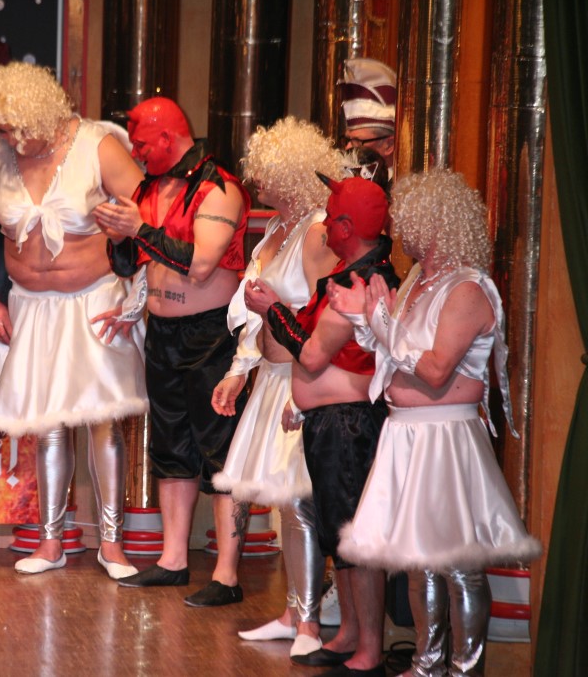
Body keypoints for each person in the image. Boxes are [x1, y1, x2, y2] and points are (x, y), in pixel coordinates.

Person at [327, 169, 541, 677]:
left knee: (458, 565)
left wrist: (379, 321)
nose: (397, 229)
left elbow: (436, 369)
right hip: (406, 432)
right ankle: (426, 665)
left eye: (406, 218)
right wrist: (364, 316)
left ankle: (465, 669)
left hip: (444, 435)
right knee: (419, 560)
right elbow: (390, 356)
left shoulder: (466, 289)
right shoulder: (417, 283)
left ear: (435, 221)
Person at [0, 62, 146, 578]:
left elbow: (151, 217)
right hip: (32, 307)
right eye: (1, 129)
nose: (9, 139)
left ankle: (112, 544)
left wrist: (136, 298)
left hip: (96, 301)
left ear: (42, 114)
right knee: (48, 426)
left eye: (17, 128)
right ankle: (50, 541)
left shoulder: (97, 145)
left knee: (104, 422)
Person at [93, 97, 250, 606]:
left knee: (220, 450)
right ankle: (173, 560)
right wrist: (118, 237)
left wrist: (137, 229)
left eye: (141, 143)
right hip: (162, 331)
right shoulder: (148, 188)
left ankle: (226, 574)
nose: (136, 153)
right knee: (170, 448)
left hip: (211, 334)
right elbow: (128, 264)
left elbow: (201, 265)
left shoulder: (218, 187)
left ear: (167, 137)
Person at [209, 117, 340, 651]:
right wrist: (238, 371)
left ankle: (309, 623)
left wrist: (309, 389)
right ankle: (294, 612)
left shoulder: (316, 232)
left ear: (291, 174)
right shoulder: (278, 229)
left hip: (300, 378)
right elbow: (255, 314)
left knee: (301, 501)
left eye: (265, 171)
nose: (255, 180)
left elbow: (328, 315)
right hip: (271, 378)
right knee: (287, 504)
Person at [262, 174, 398, 675]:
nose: (321, 226)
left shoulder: (361, 282)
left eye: (329, 216)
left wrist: (271, 308)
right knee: (338, 535)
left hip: (350, 424)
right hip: (333, 421)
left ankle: (369, 649)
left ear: (345, 226)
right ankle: (351, 635)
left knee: (355, 538)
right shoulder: (347, 273)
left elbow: (313, 355)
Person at [340, 58, 396, 178]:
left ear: (389, 145)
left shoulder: (405, 188)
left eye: (357, 141)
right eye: (347, 140)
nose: (347, 147)